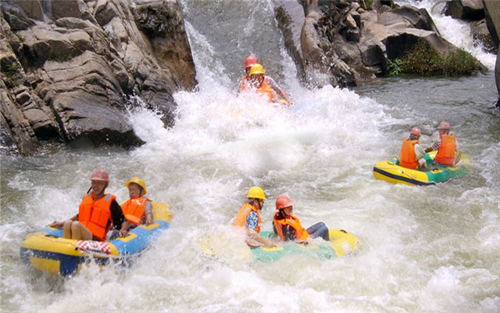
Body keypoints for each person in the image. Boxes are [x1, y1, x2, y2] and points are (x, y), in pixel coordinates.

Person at [50, 168, 130, 241]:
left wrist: (123, 229)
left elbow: (123, 220)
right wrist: (61, 223)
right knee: (68, 223)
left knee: (76, 225)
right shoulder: (87, 197)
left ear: (106, 185)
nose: (96, 186)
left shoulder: (111, 203)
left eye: (99, 183)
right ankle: (66, 250)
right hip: (80, 232)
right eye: (94, 182)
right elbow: (79, 216)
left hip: (95, 239)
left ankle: (75, 251)